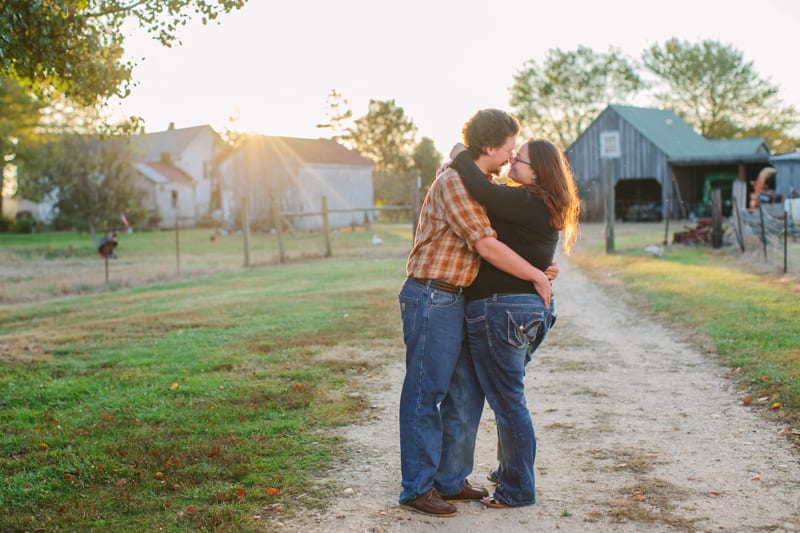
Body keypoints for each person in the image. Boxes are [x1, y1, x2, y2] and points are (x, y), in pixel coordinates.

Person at [398, 109, 555, 517]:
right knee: (425, 391)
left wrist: (536, 265)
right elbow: (485, 244)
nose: (510, 155)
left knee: (466, 395)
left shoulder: (479, 180)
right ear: (491, 146)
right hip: (432, 294)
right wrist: (537, 276)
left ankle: (449, 480)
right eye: (509, 147)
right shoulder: (454, 182)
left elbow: (512, 231)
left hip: (457, 299)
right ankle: (417, 486)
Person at [449, 138, 581, 508]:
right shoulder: (543, 204)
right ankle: (510, 471)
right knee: (509, 396)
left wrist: (459, 153)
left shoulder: (527, 200)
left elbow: (479, 188)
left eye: (518, 159)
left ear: (537, 170)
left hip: (501, 309)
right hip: (528, 311)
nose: (510, 162)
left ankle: (518, 489)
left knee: (508, 402)